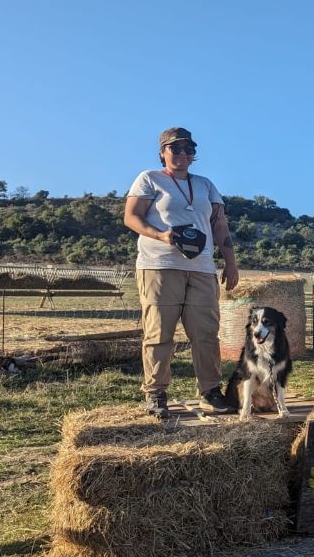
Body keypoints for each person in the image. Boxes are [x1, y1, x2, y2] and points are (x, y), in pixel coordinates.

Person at [124, 127, 239, 418]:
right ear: (163, 151)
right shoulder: (149, 178)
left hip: (201, 267)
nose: (183, 154)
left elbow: (219, 224)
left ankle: (211, 392)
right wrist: (160, 235)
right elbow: (131, 217)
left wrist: (231, 262)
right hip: (159, 265)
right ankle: (156, 393)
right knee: (159, 332)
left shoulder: (205, 185)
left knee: (206, 334)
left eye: (189, 149)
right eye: (176, 149)